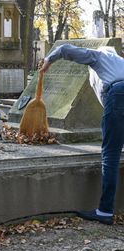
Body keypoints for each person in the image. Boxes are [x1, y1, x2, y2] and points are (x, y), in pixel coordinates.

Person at [41, 44, 124, 225]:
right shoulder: (120, 63)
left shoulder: (101, 56)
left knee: (110, 155)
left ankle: (104, 211)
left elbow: (65, 49)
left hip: (118, 95)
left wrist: (49, 59)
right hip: (118, 96)